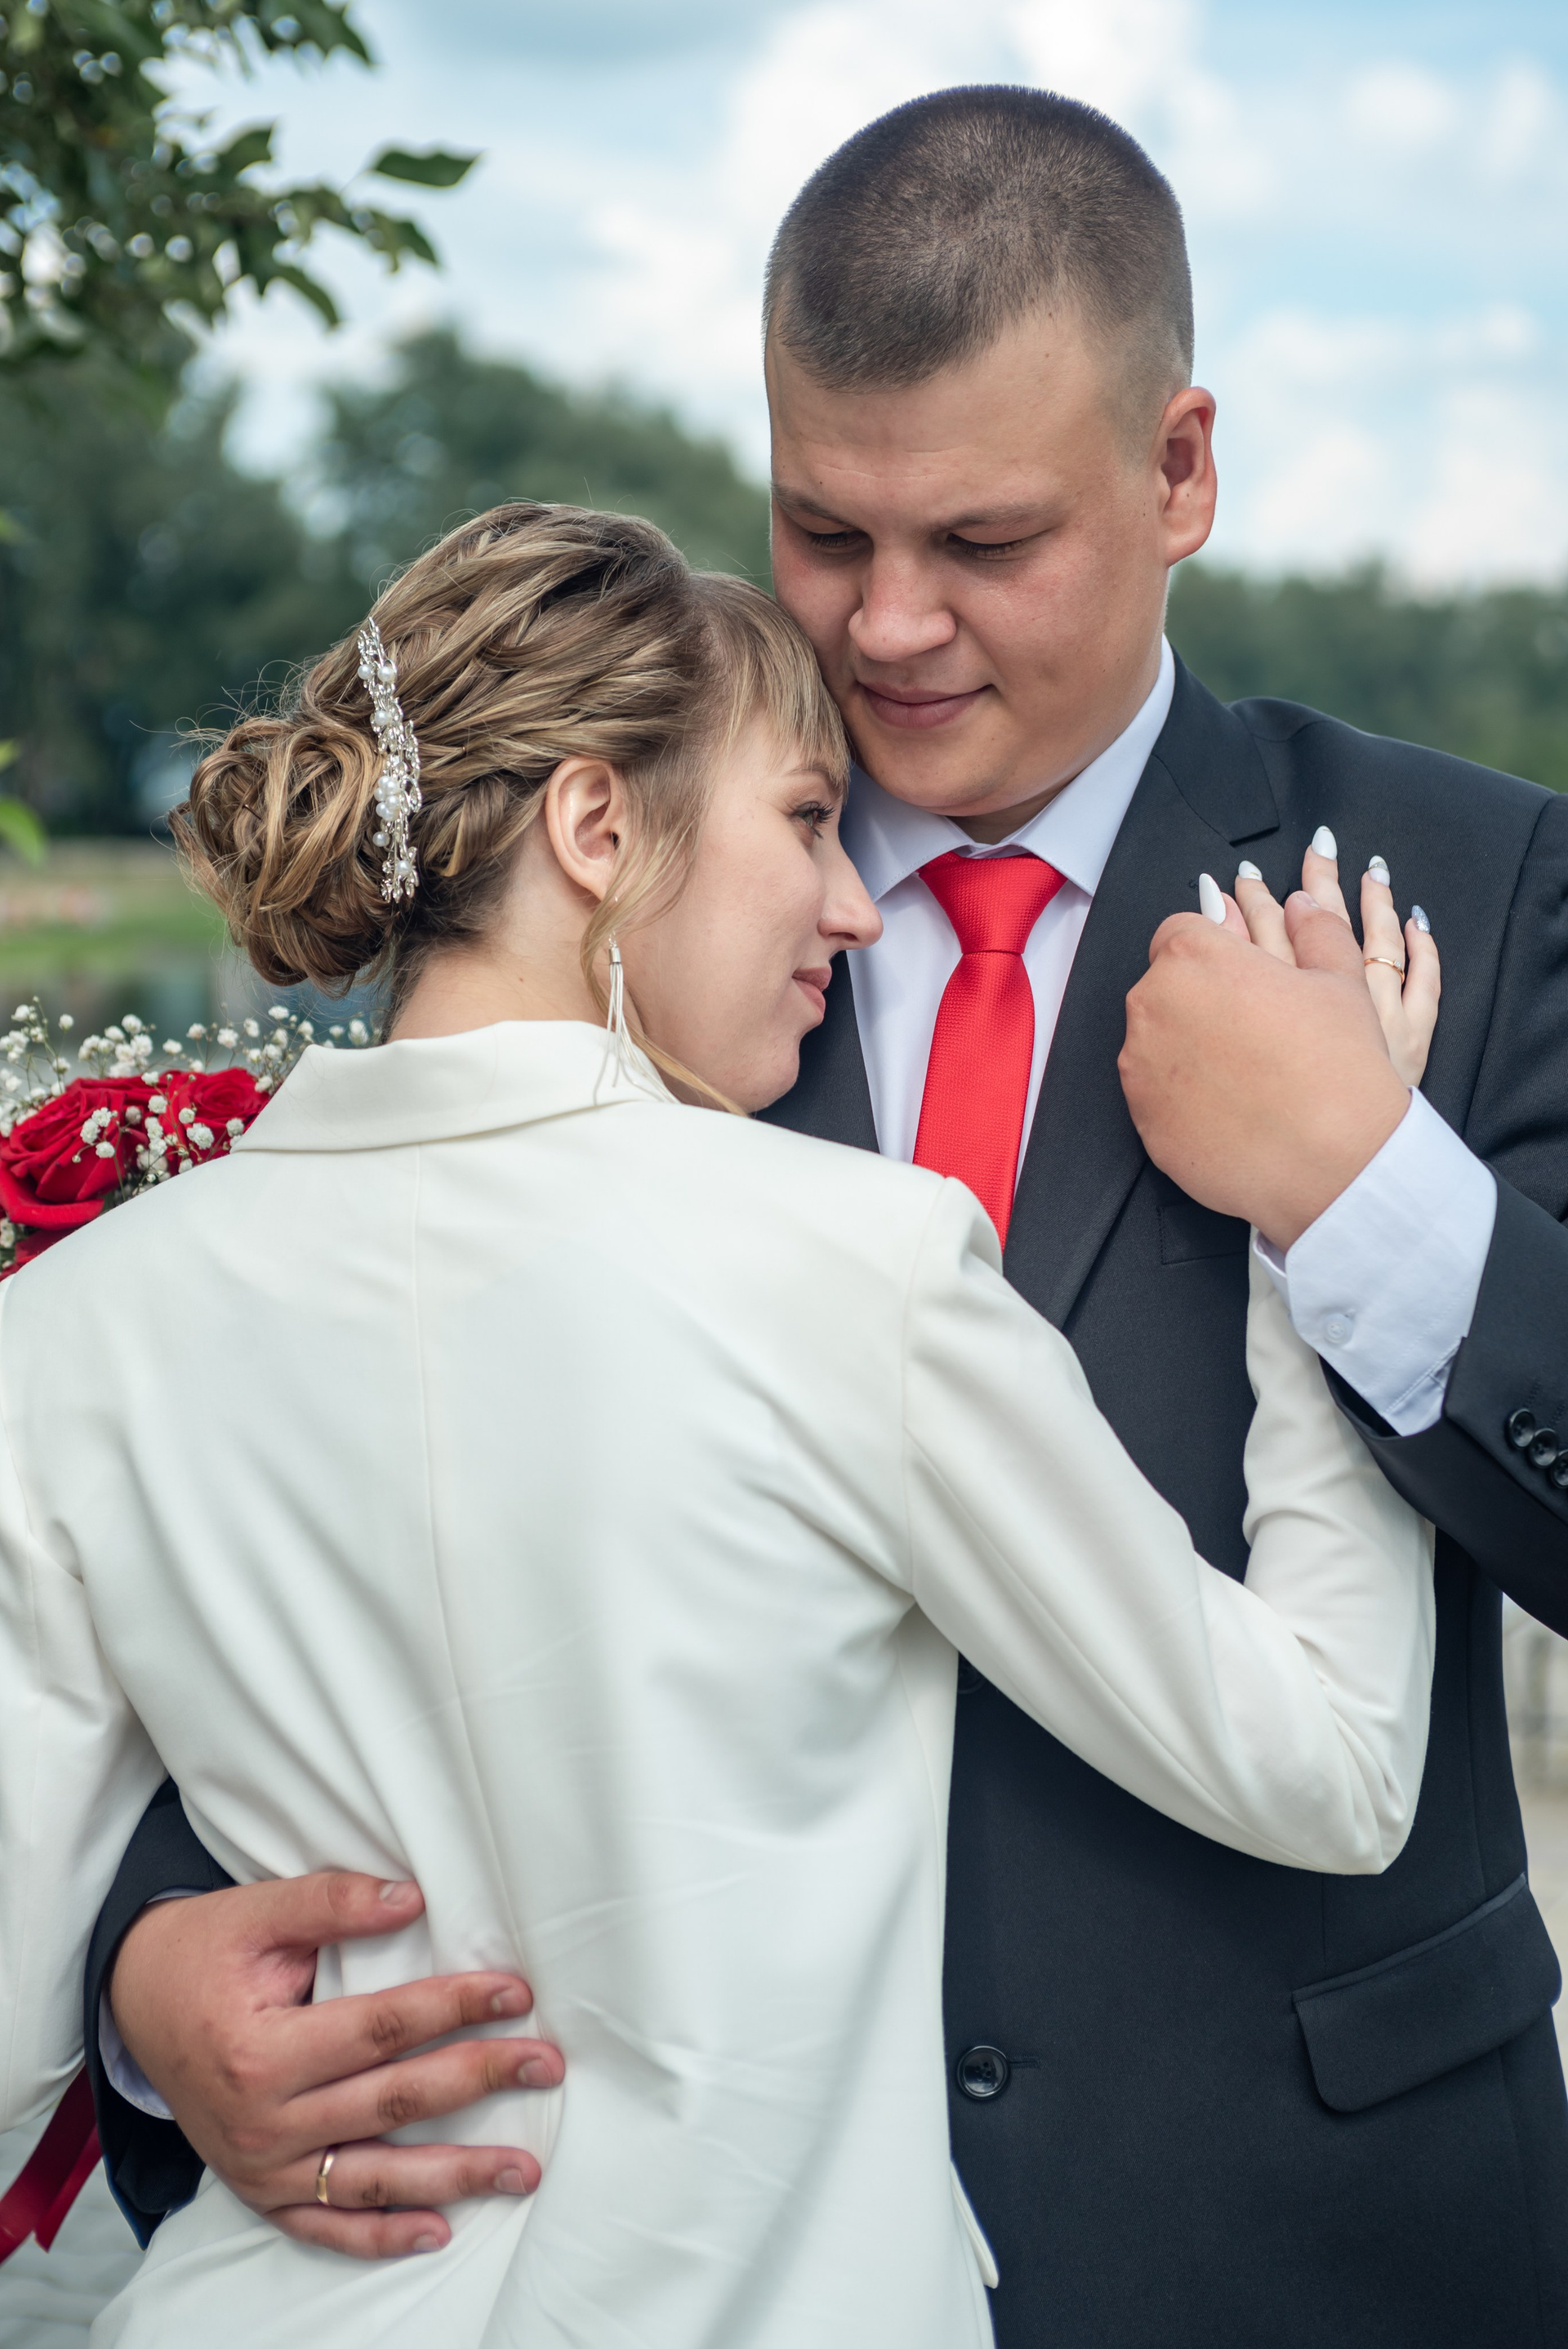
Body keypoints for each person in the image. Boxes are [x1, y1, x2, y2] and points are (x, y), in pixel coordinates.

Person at [86, 87, 1568, 2348]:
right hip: (654, 2258)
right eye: (820, 528)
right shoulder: (609, 898)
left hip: (1305, 2233)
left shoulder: (1473, 879)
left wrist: (1362, 1187)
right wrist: (148, 1969)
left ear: (1179, 471)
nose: (889, 625)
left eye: (984, 540)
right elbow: (324, 1495)